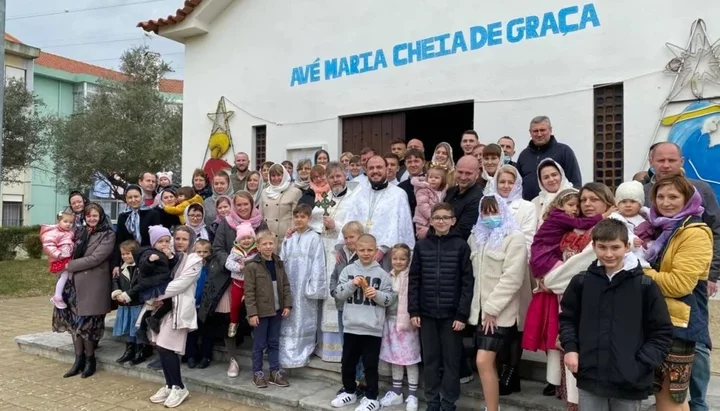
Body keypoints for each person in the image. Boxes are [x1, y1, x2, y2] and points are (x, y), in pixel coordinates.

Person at [559, 219, 673, 411]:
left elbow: (662, 332)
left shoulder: (645, 286)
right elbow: (568, 320)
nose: (609, 254)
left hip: (630, 381)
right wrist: (571, 349)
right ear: (593, 246)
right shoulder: (582, 282)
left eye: (615, 247)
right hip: (590, 376)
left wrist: (641, 364)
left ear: (627, 247)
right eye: (602, 247)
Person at [642, 142, 720, 411]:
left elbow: (679, 283)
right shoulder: (664, 225)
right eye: (661, 198)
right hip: (663, 316)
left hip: (683, 316)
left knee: (677, 390)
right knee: (666, 390)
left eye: (674, 198)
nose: (665, 202)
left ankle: (700, 405)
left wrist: (640, 269)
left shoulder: (693, 230)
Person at [531, 183, 617, 409]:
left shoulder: (609, 227)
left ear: (607, 201)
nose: (587, 204)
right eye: (584, 200)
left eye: (594, 199)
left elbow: (570, 272)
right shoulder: (572, 231)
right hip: (572, 310)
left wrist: (549, 281)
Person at [408, 203, 474, 411]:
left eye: (446, 217)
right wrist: (414, 310)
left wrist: (462, 314)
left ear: (453, 221)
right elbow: (414, 279)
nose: (441, 221)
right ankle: (432, 401)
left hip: (451, 315)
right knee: (431, 361)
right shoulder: (422, 246)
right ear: (431, 221)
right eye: (437, 217)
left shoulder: (461, 246)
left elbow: (467, 282)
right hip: (426, 314)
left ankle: (448, 402)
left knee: (451, 362)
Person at [469, 195, 530, 411]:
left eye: (494, 211)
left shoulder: (514, 237)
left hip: (499, 312)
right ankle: (491, 406)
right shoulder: (476, 237)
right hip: (479, 312)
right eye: (485, 212)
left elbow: (512, 277)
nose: (489, 217)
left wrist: (492, 308)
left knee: (483, 361)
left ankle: (492, 409)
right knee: (489, 363)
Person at [331, 234, 395, 411]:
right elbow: (338, 294)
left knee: (370, 365)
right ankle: (350, 391)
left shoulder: (382, 274)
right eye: (362, 250)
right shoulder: (348, 270)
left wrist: (378, 295)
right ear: (356, 250)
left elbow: (390, 299)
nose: (366, 253)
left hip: (372, 328)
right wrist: (352, 284)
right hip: (351, 326)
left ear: (375, 251)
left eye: (369, 250)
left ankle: (372, 397)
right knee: (348, 362)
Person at [53, 203, 115, 379]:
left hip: (93, 284)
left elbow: (96, 258)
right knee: (75, 325)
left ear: (101, 216)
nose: (92, 219)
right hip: (73, 284)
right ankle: (78, 360)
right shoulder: (79, 231)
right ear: (85, 217)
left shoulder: (108, 234)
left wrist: (69, 265)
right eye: (89, 216)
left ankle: (90, 360)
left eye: (95, 216)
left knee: (87, 325)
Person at [144, 226, 203, 408]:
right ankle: (170, 385)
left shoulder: (194, 260)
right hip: (163, 309)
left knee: (166, 346)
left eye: (184, 239)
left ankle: (179, 387)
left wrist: (154, 294)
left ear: (191, 241)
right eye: (177, 238)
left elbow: (181, 284)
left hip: (179, 309)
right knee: (161, 348)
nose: (180, 242)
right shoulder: (168, 257)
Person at [310, 162, 358, 362]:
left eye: (339, 176)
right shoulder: (324, 199)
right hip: (325, 252)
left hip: (344, 252)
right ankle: (325, 348)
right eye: (332, 177)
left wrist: (336, 225)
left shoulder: (354, 198)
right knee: (326, 296)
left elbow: (357, 224)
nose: (335, 180)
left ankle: (344, 350)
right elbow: (312, 221)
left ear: (344, 176)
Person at [343, 155, 415, 270]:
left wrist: (383, 248)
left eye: (379, 167)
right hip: (360, 255)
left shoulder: (398, 194)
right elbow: (349, 221)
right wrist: (341, 245)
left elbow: (402, 227)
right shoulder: (359, 194)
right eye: (371, 168)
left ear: (387, 169)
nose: (375, 171)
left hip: (387, 257)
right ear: (366, 170)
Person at [279, 204, 327, 368]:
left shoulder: (314, 238)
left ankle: (303, 352)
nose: (299, 220)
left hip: (305, 286)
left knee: (303, 317)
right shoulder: (289, 237)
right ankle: (285, 352)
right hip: (289, 284)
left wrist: (314, 286)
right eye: (296, 216)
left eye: (303, 217)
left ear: (309, 219)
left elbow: (318, 263)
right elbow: (281, 259)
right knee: (288, 316)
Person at [245, 230, 293, 388]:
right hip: (261, 312)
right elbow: (249, 292)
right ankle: (258, 373)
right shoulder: (252, 266)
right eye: (264, 244)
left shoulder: (279, 263)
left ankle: (274, 372)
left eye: (270, 243)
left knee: (274, 342)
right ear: (258, 247)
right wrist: (252, 313)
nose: (268, 246)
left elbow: (285, 285)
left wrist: (287, 304)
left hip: (277, 310)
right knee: (259, 344)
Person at [378, 244, 421, 411]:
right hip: (390, 322)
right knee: (395, 358)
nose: (398, 261)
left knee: (410, 360)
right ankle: (396, 392)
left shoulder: (410, 276)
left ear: (408, 260)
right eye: (395, 258)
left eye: (402, 259)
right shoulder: (388, 276)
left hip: (407, 325)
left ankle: (412, 394)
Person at [530, 189, 609, 278]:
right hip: (545, 256)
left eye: (578, 206)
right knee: (564, 274)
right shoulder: (560, 215)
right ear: (560, 205)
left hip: (545, 255)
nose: (575, 209)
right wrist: (603, 216)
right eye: (570, 205)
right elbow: (580, 224)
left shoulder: (558, 216)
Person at [119, 225, 177, 334]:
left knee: (161, 304)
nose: (164, 244)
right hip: (154, 284)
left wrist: (170, 257)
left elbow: (171, 265)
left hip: (161, 281)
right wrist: (150, 261)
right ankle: (151, 320)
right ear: (154, 242)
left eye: (167, 241)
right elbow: (143, 267)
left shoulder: (166, 253)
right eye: (160, 241)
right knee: (164, 303)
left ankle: (148, 321)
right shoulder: (149, 253)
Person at [329, 221, 366, 393]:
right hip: (343, 307)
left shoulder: (365, 255)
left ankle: (360, 381)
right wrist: (334, 291)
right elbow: (335, 276)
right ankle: (349, 382)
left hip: (358, 308)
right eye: (346, 237)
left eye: (352, 237)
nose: (349, 240)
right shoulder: (341, 254)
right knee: (347, 347)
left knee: (358, 346)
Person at [516, 116, 582, 200]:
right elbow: (517, 184)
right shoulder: (524, 155)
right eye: (535, 131)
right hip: (529, 207)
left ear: (550, 130)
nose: (539, 134)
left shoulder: (564, 151)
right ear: (530, 132)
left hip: (558, 207)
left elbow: (575, 183)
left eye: (543, 130)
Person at [114, 184, 161, 276]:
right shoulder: (123, 216)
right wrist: (116, 264)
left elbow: (157, 239)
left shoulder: (153, 214)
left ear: (141, 196)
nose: (133, 200)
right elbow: (119, 240)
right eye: (130, 197)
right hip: (129, 258)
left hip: (148, 257)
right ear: (126, 199)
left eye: (136, 196)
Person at [112, 240, 146, 364]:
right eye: (123, 254)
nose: (126, 256)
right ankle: (129, 350)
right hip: (125, 305)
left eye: (128, 254)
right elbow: (115, 281)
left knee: (137, 328)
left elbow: (140, 285)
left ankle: (140, 351)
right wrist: (117, 293)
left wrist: (128, 295)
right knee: (127, 327)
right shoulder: (121, 269)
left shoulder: (141, 268)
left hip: (137, 303)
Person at [225, 222, 258, 338]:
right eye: (243, 238)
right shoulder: (235, 251)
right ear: (238, 240)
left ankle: (254, 327)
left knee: (253, 306)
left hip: (253, 284)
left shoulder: (257, 251)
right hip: (238, 283)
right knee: (235, 305)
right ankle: (233, 322)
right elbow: (228, 263)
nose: (246, 241)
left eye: (249, 238)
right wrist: (239, 267)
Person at [261, 164, 302, 252]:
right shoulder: (265, 192)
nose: (276, 178)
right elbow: (261, 215)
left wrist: (291, 231)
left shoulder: (295, 192)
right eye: (273, 176)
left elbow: (295, 216)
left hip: (286, 237)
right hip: (268, 238)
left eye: (279, 175)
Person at [609, 181, 653, 262]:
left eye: (633, 202)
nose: (628, 205)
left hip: (649, 250)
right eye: (623, 202)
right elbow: (615, 236)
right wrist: (631, 241)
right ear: (617, 204)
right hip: (631, 254)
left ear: (640, 204)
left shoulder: (646, 216)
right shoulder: (615, 219)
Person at [41, 210, 75, 309]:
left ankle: (60, 295)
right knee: (64, 276)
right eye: (65, 221)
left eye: (71, 222)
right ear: (58, 221)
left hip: (66, 257)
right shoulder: (54, 232)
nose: (68, 224)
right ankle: (57, 296)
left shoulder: (68, 232)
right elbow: (48, 245)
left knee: (67, 276)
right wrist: (58, 254)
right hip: (60, 258)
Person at [444, 155, 483, 240]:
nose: (463, 177)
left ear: (477, 174)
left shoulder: (477, 199)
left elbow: (463, 231)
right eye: (460, 172)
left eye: (468, 173)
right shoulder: (450, 191)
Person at [531, 159, 574, 224]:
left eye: (554, 175)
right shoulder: (535, 203)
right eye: (546, 177)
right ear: (540, 182)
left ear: (561, 175)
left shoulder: (575, 195)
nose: (551, 179)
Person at [412, 162, 448, 240]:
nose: (433, 180)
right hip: (423, 222)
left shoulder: (442, 191)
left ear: (442, 180)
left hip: (434, 222)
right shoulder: (423, 189)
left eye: (436, 178)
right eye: (431, 177)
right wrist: (435, 217)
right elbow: (423, 206)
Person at [398, 149, 426, 220]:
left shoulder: (431, 184)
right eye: (409, 162)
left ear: (423, 163)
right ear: (405, 164)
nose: (413, 165)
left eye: (416, 161)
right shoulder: (400, 187)